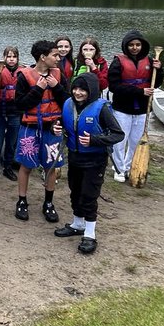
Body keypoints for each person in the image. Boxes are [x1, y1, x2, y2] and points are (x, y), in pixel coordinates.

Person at [54, 73, 125, 255]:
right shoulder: (68, 104)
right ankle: (77, 224)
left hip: (95, 160)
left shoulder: (102, 109)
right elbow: (62, 124)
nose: (78, 93)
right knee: (75, 191)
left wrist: (94, 140)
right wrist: (55, 127)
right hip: (75, 157)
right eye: (75, 89)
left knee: (89, 195)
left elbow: (118, 134)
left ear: (91, 91)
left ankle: (90, 234)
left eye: (83, 90)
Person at [14, 39, 69, 223]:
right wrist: (39, 88)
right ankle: (22, 201)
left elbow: (67, 102)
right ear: (43, 57)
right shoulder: (24, 77)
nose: (58, 57)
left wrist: (56, 87)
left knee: (50, 167)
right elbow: (20, 105)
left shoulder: (58, 76)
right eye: (55, 55)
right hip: (30, 128)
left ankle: (48, 203)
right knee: (26, 166)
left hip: (52, 128)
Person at [107, 29, 164, 183]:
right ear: (126, 46)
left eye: (138, 44)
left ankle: (128, 165)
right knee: (120, 139)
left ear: (142, 45)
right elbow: (113, 86)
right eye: (131, 45)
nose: (134, 47)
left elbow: (156, 83)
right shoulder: (118, 61)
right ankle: (119, 168)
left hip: (143, 109)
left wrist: (159, 71)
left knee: (135, 140)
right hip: (122, 108)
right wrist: (139, 91)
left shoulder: (151, 61)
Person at [0, 46, 23, 180]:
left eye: (14, 57)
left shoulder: (22, 72)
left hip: (15, 113)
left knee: (12, 143)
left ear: (17, 58)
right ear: (4, 57)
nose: (11, 59)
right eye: (9, 56)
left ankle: (7, 167)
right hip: (0, 112)